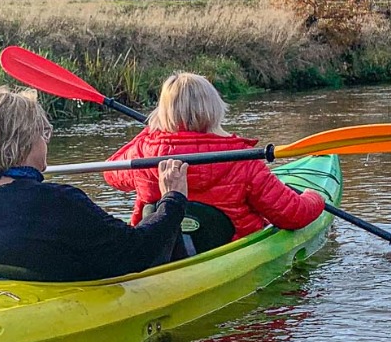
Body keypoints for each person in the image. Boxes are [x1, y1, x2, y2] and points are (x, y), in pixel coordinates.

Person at [0, 87, 190, 281]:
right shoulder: (58, 201)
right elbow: (136, 254)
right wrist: (172, 200)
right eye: (43, 133)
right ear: (26, 140)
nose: (46, 141)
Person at [103, 72, 325, 247]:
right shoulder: (243, 160)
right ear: (214, 109)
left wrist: (150, 133)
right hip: (227, 253)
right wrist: (316, 197)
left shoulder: (142, 153)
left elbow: (111, 173)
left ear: (162, 112)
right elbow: (294, 215)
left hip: (161, 254)